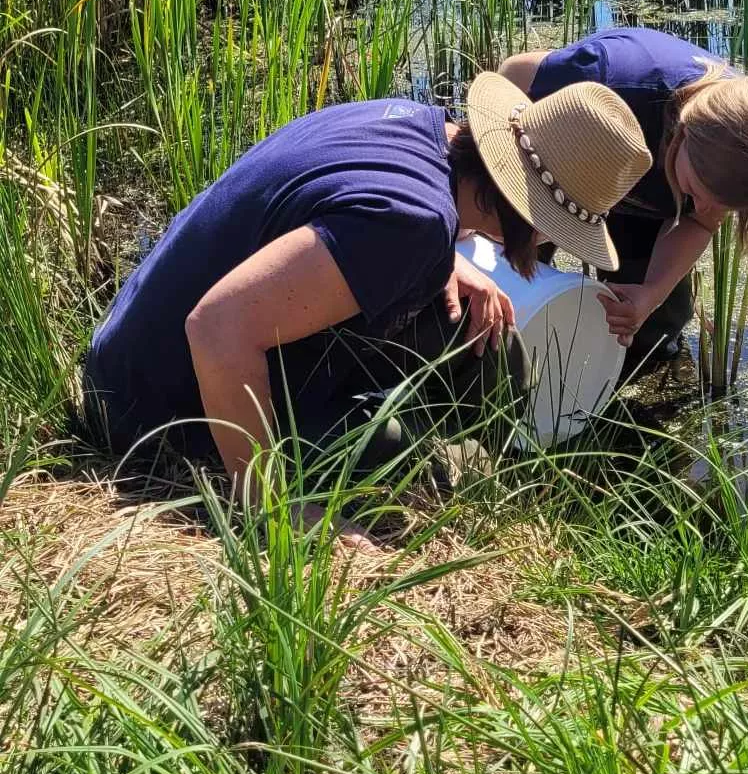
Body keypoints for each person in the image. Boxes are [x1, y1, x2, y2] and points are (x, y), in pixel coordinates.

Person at [81, 78, 651, 491]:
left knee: (489, 342)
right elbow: (216, 328)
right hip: (152, 410)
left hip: (121, 353)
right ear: (529, 218)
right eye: (552, 235)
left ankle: (477, 459)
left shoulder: (416, 126)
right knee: (395, 454)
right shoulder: (412, 224)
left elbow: (342, 208)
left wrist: (444, 263)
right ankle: (439, 466)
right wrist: (269, 508)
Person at [500, 27, 748, 362]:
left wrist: (650, 294)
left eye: (720, 205)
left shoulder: (745, 153)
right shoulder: (611, 83)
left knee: (652, 328)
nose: (701, 207)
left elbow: (701, 221)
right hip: (554, 167)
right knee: (511, 289)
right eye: (696, 192)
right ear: (682, 135)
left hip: (645, 194)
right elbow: (514, 74)